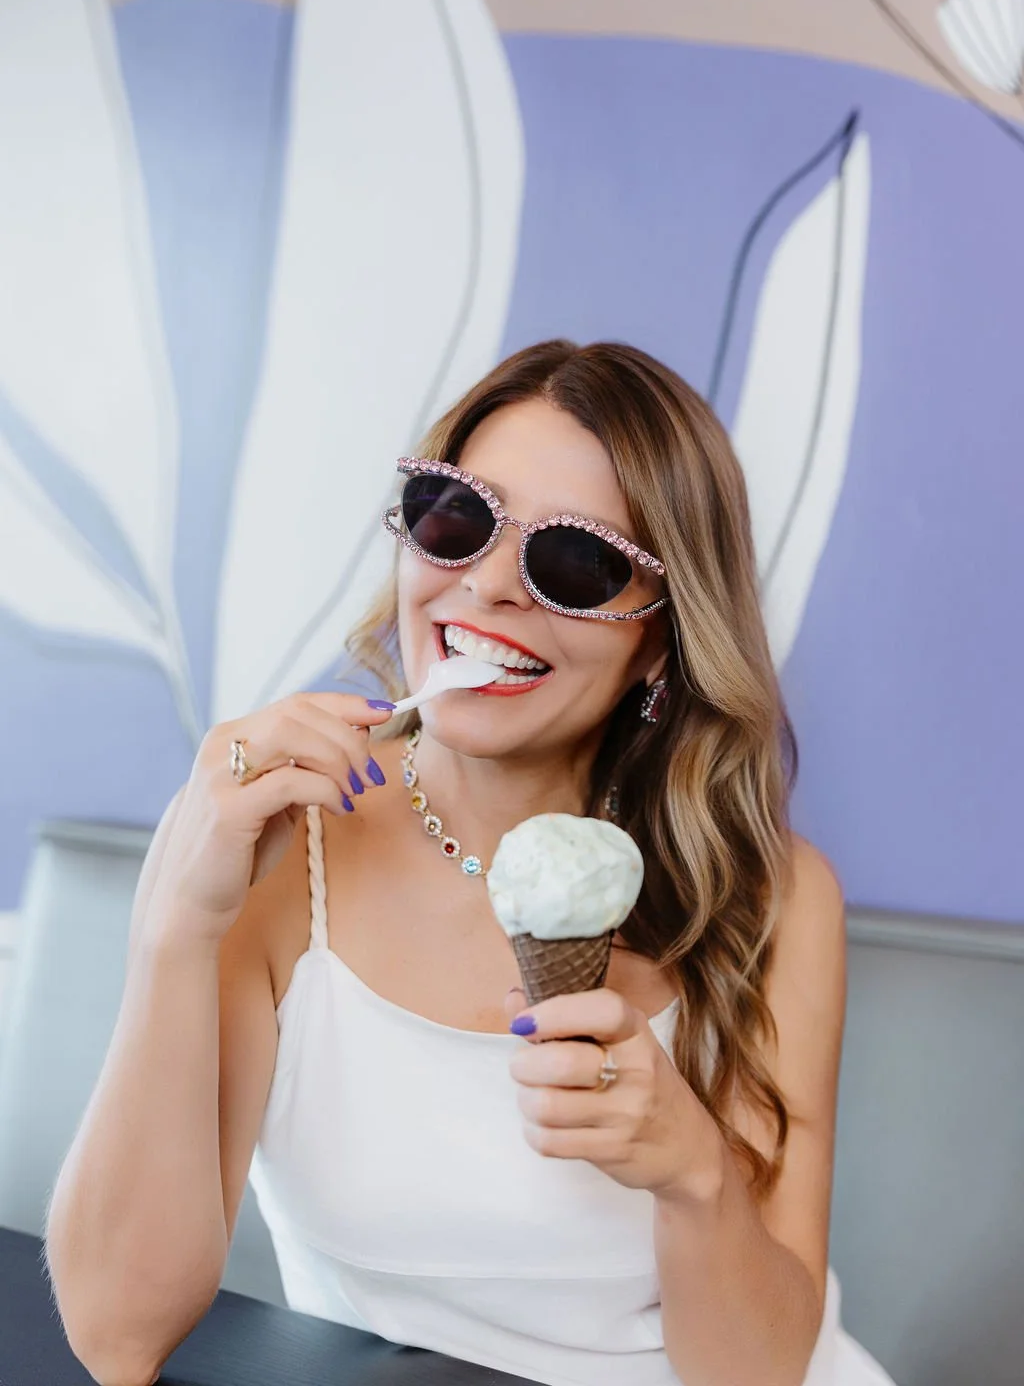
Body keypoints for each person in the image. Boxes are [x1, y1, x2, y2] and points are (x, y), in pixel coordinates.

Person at [45, 340, 898, 1386]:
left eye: (574, 561)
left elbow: (757, 1375)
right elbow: (118, 1337)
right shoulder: (275, 843)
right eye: (457, 517)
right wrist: (175, 928)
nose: (488, 586)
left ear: (662, 642)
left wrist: (692, 1177)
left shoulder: (768, 897)